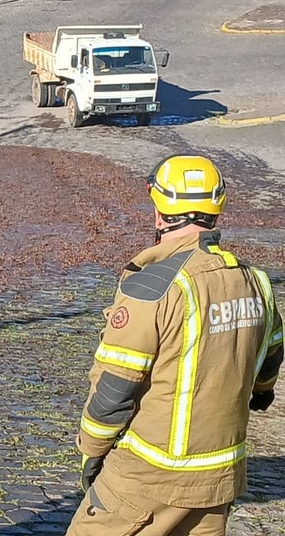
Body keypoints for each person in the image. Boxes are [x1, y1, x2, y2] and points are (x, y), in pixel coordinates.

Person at [67, 154, 283, 536]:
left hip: (147, 476)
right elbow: (271, 354)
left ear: (158, 213)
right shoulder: (256, 282)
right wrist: (262, 391)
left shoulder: (154, 286)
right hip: (219, 477)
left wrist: (91, 452)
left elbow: (115, 389)